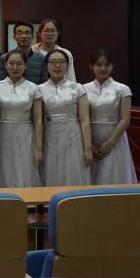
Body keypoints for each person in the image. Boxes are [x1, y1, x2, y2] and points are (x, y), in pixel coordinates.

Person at [36, 48, 92, 186]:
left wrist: (87, 148)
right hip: (49, 135)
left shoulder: (78, 88)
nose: (57, 66)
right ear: (46, 66)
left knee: (73, 170)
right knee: (51, 170)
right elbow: (38, 120)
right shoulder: (39, 89)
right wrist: (38, 148)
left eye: (61, 62)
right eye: (53, 62)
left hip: (72, 134)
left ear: (67, 65)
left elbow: (85, 120)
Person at [84, 49, 136, 185]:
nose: (103, 68)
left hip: (114, 138)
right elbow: (82, 118)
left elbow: (125, 119)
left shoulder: (122, 89)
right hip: (91, 138)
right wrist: (89, 144)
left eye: (107, 65)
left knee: (113, 176)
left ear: (112, 66)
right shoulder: (83, 89)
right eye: (98, 65)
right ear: (91, 66)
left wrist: (110, 143)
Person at [0, 49, 43, 187]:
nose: (15, 67)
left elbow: (38, 120)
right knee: (3, 167)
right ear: (5, 65)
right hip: (2, 133)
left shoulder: (33, 88)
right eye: (11, 63)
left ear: (26, 65)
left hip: (25, 133)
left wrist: (39, 148)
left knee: (24, 167)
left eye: (19, 64)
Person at [0, 21, 46, 85]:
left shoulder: (42, 58)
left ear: (32, 37)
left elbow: (44, 83)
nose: (24, 36)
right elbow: (1, 83)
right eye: (20, 33)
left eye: (27, 33)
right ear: (14, 37)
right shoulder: (4, 58)